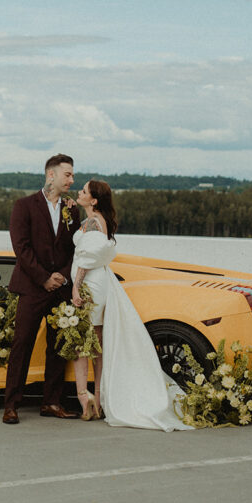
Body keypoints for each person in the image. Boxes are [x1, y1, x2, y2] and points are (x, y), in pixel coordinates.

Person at [71, 179, 192, 431]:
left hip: (90, 283)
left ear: (93, 200)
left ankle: (87, 398)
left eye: (83, 191)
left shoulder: (92, 222)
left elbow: (87, 257)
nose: (78, 192)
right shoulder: (99, 220)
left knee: (83, 342)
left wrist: (75, 286)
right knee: (97, 342)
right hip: (100, 282)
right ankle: (100, 398)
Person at [2, 153, 81, 424]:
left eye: (72, 175)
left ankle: (52, 402)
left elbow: (76, 248)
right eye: (67, 174)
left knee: (58, 347)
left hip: (60, 289)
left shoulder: (72, 210)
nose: (72, 179)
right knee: (21, 344)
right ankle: (11, 405)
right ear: (51, 175)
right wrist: (44, 277)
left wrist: (61, 275)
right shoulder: (23, 206)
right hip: (32, 287)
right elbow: (21, 248)